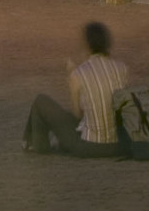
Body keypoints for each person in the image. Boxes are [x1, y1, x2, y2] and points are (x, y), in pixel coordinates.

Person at [24, 21, 129, 157]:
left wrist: (70, 76)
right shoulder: (122, 68)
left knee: (41, 101)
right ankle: (30, 143)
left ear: (87, 45)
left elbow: (77, 114)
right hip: (118, 145)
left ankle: (37, 146)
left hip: (90, 146)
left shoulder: (79, 74)